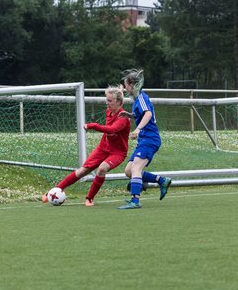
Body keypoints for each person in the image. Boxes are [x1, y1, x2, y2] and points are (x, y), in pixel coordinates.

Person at [42, 86, 130, 207]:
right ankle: (54, 191)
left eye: (110, 100)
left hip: (117, 153)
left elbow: (112, 129)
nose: (107, 103)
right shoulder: (108, 112)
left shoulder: (124, 118)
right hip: (103, 148)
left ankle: (89, 198)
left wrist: (94, 126)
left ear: (119, 102)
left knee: (102, 169)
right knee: (83, 170)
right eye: (106, 99)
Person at [117, 68, 171, 210]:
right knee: (129, 171)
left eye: (126, 85)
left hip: (150, 139)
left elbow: (147, 114)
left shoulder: (141, 97)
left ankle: (135, 201)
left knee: (136, 168)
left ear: (132, 84)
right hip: (145, 140)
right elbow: (142, 115)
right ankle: (162, 180)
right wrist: (129, 115)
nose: (125, 88)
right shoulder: (137, 100)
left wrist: (137, 129)